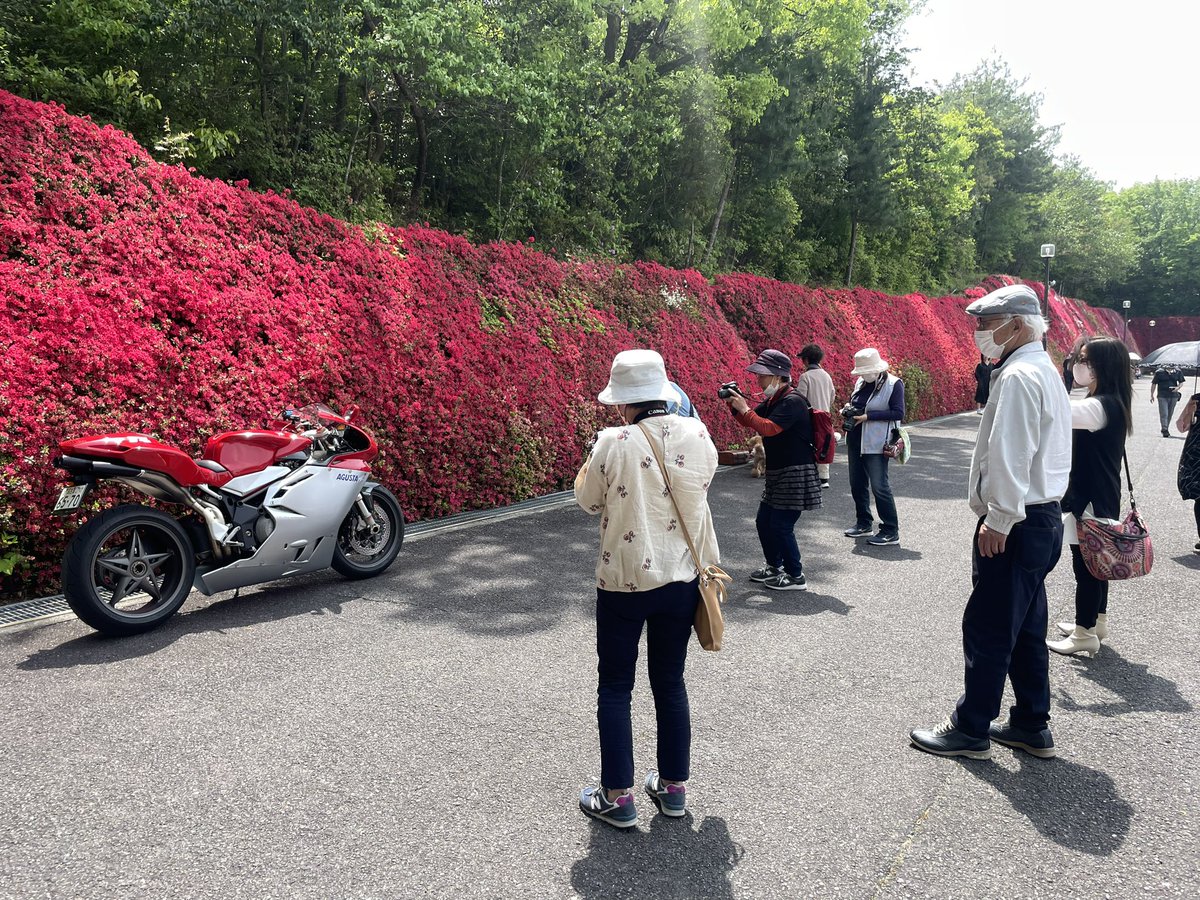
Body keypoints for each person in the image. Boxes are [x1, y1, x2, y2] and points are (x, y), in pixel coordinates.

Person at [910, 284, 1071, 760]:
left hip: (1017, 521)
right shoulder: (1043, 371)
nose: (979, 333)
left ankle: (971, 727)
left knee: (989, 628)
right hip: (1041, 518)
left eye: (985, 324)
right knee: (1024, 627)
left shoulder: (1019, 376)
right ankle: (1029, 723)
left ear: (1018, 324)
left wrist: (999, 518)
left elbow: (1010, 455)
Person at [574, 349, 719, 828]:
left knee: (616, 686)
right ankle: (673, 788)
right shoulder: (698, 434)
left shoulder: (614, 441)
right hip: (680, 580)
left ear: (623, 401)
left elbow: (588, 501)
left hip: (623, 580)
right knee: (669, 681)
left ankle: (618, 797)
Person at [1046, 336, 1133, 657]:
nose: (1076, 364)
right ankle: (1096, 621)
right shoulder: (1110, 401)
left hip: (1091, 499)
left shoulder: (1099, 406)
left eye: (1082, 360)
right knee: (1098, 562)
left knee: (1088, 567)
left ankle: (1084, 632)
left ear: (1101, 367)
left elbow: (1056, 411)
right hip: (1099, 495)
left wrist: (1058, 378)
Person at [723, 348, 821, 591]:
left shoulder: (793, 401)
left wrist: (744, 409)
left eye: (762, 375)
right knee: (763, 521)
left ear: (778, 376)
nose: (758, 380)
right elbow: (751, 420)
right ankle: (774, 566)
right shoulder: (775, 399)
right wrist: (735, 405)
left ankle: (796, 575)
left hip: (795, 472)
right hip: (779, 471)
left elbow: (768, 428)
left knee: (780, 525)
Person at [842, 348, 904, 546]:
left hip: (877, 443)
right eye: (861, 372)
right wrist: (848, 410)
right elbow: (858, 403)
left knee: (880, 486)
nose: (863, 375)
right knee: (857, 484)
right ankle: (863, 522)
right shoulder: (861, 382)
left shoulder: (894, 384)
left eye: (866, 371)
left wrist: (868, 417)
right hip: (855, 440)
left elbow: (898, 413)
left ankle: (890, 530)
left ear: (878, 368)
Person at [795, 343, 836, 487]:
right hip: (825, 415)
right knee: (824, 443)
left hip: (810, 417)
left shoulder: (805, 377)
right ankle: (824, 477)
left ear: (806, 360)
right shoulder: (827, 376)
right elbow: (832, 397)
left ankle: (810, 475)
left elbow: (799, 399)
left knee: (810, 444)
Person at [1176, 391, 1200, 555]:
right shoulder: (1197, 399)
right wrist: (1190, 410)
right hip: (1196, 454)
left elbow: (1181, 427)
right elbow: (1181, 426)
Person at [1150, 365, 1185, 437]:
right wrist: (1152, 394)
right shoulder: (1159, 372)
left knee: (1170, 413)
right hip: (1162, 395)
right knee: (1164, 413)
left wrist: (1178, 387)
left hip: (1173, 395)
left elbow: (1181, 382)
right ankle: (1164, 429)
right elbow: (1154, 383)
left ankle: (1166, 427)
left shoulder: (1177, 371)